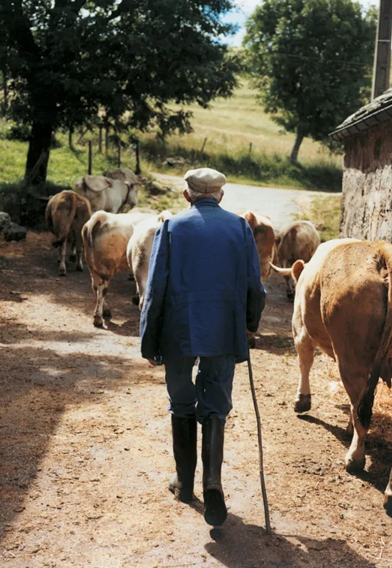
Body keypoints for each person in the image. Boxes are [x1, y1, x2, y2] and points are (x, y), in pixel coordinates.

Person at [140, 167, 266, 526]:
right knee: (215, 404)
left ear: (186, 195)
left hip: (178, 331)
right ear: (221, 196)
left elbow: (156, 290)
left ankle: (184, 483)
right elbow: (254, 287)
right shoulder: (241, 228)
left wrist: (150, 338)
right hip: (224, 330)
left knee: (181, 402)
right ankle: (213, 483)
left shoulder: (171, 227)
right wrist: (249, 325)